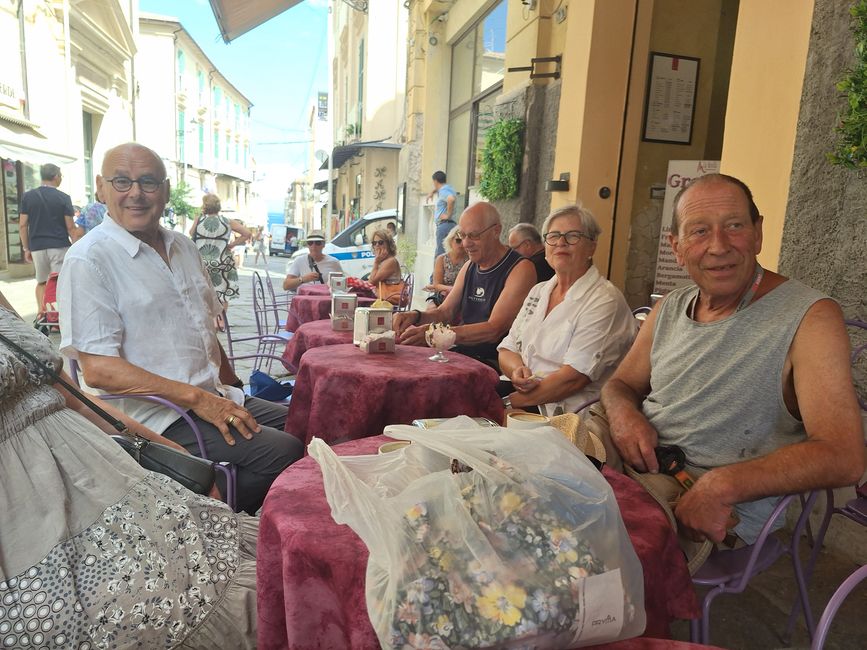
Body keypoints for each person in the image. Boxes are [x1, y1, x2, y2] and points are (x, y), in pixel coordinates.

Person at [600, 173, 865, 546]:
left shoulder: (811, 318)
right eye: (699, 231)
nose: (719, 246)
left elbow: (844, 455)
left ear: (757, 233)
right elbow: (620, 385)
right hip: (625, 460)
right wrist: (625, 416)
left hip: (691, 496)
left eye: (735, 226)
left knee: (574, 543)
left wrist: (722, 485)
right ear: (676, 247)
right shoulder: (672, 305)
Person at [0, 291, 257, 648]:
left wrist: (172, 453)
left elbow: (74, 398)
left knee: (223, 562)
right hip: (27, 527)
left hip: (107, 474)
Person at [58, 142, 304, 515]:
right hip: (159, 416)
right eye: (122, 182)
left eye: (149, 182)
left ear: (167, 189)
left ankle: (214, 497)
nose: (136, 194)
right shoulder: (89, 259)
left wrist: (233, 388)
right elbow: (100, 370)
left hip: (212, 395)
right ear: (101, 188)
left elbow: (203, 328)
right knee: (283, 452)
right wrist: (198, 399)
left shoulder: (184, 247)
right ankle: (190, 505)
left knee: (307, 420)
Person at [498, 205, 637, 416]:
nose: (561, 242)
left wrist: (505, 404)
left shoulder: (604, 300)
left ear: (591, 247)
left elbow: (573, 380)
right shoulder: (539, 290)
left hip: (569, 414)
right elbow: (507, 349)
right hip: (526, 395)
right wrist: (517, 371)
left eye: (572, 236)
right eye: (553, 236)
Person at [394, 202, 537, 369]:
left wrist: (435, 332)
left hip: (495, 363)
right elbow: (445, 312)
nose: (465, 243)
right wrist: (415, 316)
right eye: (462, 235)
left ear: (496, 231)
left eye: (474, 235)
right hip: (461, 354)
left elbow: (493, 330)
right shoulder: (469, 266)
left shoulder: (520, 269)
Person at [18, 163, 76, 313]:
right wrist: (76, 247)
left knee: (42, 282)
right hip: (59, 246)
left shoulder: (28, 197)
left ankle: (41, 313)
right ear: (56, 176)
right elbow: (70, 227)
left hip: (37, 247)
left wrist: (26, 248)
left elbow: (23, 225)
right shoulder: (63, 198)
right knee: (59, 282)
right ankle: (58, 315)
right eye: (61, 176)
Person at [189, 194, 251, 307]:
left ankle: (207, 320)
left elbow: (191, 233)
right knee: (222, 294)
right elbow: (247, 234)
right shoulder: (227, 221)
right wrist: (232, 245)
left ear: (205, 206)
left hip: (201, 262)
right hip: (222, 261)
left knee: (202, 292)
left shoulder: (199, 220)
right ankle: (221, 321)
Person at [423, 224, 467, 306]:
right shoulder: (441, 259)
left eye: (463, 241)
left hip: (463, 298)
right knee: (430, 309)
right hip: (442, 296)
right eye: (458, 241)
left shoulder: (470, 261)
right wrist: (452, 289)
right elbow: (437, 285)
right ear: (450, 241)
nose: (461, 244)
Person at [368, 228, 404, 304]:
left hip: (387, 299)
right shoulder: (384, 260)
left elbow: (371, 282)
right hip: (382, 298)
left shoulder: (390, 261)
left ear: (388, 244)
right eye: (374, 243)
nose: (377, 245)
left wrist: (376, 262)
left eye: (380, 242)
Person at [427, 170, 457, 257]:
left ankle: (438, 271)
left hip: (444, 226)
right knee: (449, 254)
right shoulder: (449, 188)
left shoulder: (443, 191)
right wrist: (432, 192)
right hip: (451, 225)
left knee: (440, 255)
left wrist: (448, 215)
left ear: (435, 181)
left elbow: (451, 199)